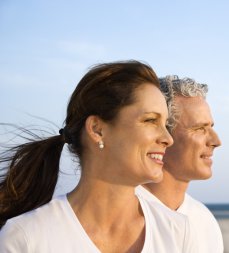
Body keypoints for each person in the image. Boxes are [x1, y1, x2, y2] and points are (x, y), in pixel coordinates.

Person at [0, 62, 196, 252]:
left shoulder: (177, 232)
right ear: (97, 129)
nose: (168, 139)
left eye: (166, 124)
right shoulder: (26, 237)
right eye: (151, 120)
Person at [136, 75, 224, 252]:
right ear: (162, 137)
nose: (216, 141)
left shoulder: (204, 220)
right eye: (200, 128)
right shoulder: (124, 212)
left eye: (211, 127)